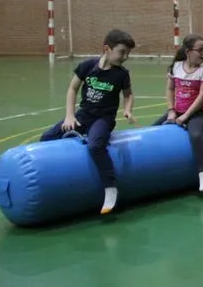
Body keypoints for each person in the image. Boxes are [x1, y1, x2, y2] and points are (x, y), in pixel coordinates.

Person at [40, 29, 136, 215]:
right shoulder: (87, 66)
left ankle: (110, 188)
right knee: (47, 137)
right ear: (107, 48)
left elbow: (128, 94)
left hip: (103, 119)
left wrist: (127, 109)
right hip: (83, 115)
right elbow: (72, 88)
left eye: (127, 54)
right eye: (122, 52)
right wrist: (69, 115)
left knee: (95, 146)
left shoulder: (121, 74)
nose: (125, 57)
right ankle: (52, 178)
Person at [152, 34, 203, 193]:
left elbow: (202, 97)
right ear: (188, 51)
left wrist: (185, 117)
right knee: (153, 129)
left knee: (195, 135)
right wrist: (171, 111)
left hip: (197, 113)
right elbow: (170, 89)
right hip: (177, 111)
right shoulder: (176, 67)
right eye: (200, 50)